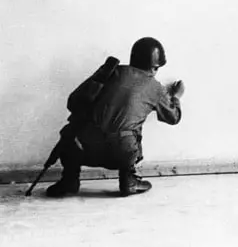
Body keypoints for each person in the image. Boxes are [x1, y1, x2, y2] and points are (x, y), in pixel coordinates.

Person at [46, 37, 185, 197]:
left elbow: (73, 102)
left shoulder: (110, 72)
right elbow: (174, 118)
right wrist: (176, 97)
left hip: (84, 150)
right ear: (155, 67)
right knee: (130, 130)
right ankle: (128, 180)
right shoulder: (155, 88)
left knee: (72, 132)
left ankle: (69, 180)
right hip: (121, 155)